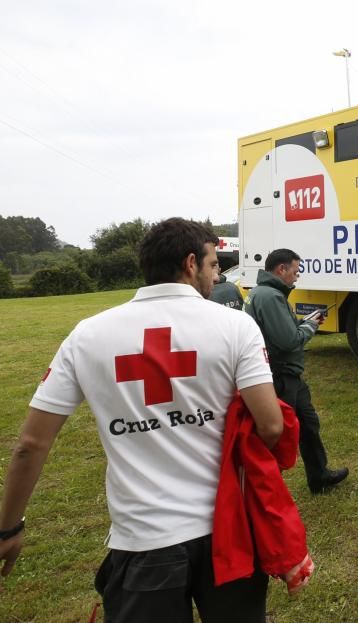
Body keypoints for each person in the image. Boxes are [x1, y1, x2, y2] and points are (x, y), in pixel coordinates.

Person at [0, 218, 285, 621]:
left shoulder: (87, 335)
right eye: (211, 265)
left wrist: (8, 528)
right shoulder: (235, 325)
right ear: (190, 263)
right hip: (228, 530)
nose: (215, 274)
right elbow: (271, 425)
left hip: (144, 541)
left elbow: (31, 444)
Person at [244, 248, 349, 495]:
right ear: (281, 269)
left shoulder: (266, 293)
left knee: (308, 424)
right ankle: (265, 490)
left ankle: (319, 476)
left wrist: (303, 322)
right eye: (295, 271)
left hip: (288, 376)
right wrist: (310, 326)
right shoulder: (270, 297)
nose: (297, 277)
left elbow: (282, 332)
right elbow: (288, 342)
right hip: (279, 377)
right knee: (278, 434)